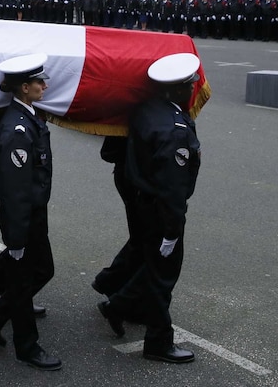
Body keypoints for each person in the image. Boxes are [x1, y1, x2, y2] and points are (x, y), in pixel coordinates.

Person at [96, 53, 201, 364]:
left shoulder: (145, 110)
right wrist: (172, 229)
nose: (193, 91)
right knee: (163, 275)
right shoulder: (175, 129)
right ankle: (158, 342)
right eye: (189, 87)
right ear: (178, 90)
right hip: (159, 208)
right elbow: (173, 186)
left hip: (141, 198)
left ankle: (119, 305)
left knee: (152, 264)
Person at [0, 53, 62, 371]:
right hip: (23, 217)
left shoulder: (27, 117)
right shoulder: (17, 131)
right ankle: (27, 347)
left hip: (33, 213)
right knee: (25, 280)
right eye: (39, 82)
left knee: (42, 270)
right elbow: (14, 191)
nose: (45, 85)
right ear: (24, 88)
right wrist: (16, 237)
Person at [91, 136, 145, 321]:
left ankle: (110, 282)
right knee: (147, 241)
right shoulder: (140, 112)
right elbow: (109, 151)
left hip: (133, 176)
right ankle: (120, 299)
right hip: (137, 180)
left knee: (142, 239)